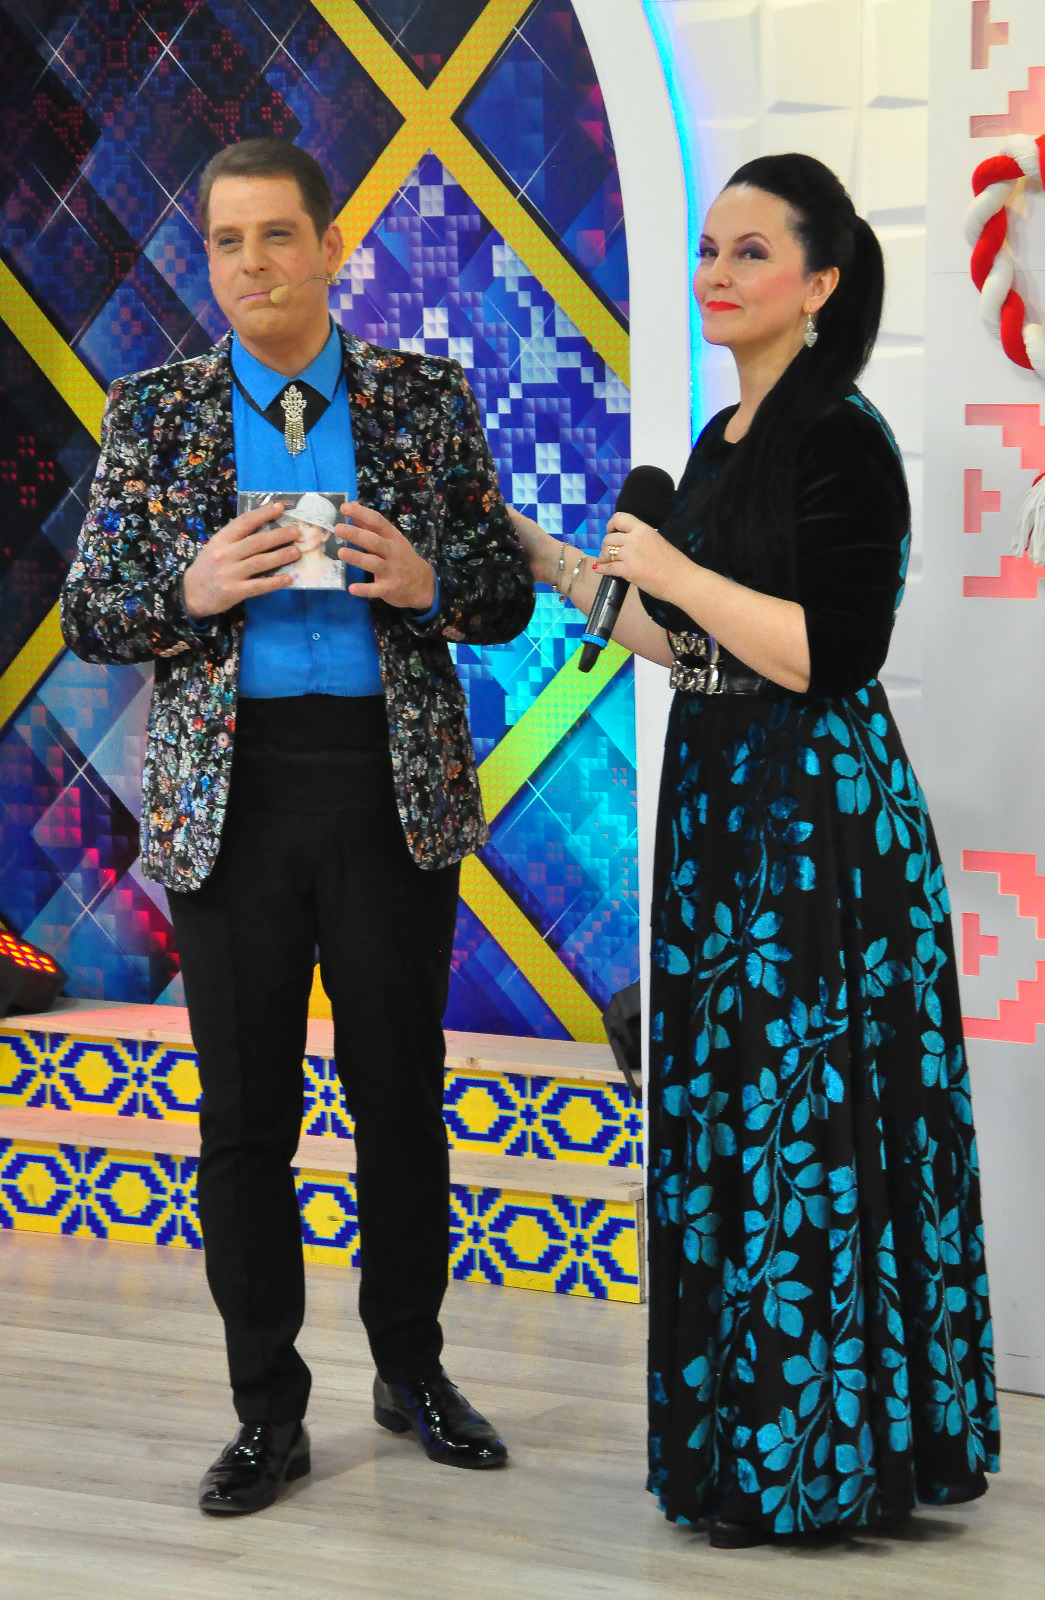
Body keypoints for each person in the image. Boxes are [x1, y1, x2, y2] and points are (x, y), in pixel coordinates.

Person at [510, 153, 999, 1545]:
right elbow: (691, 647)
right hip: (719, 813)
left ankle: (828, 1466)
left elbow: (827, 652)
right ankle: (746, 1453)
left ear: (822, 282)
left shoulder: (841, 436)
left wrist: (672, 568)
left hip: (820, 829)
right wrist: (549, 557)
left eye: (750, 252)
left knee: (809, 1124)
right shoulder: (720, 443)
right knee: (737, 1117)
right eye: (708, 249)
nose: (715, 273)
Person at [61, 137, 534, 1516]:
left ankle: (412, 1370)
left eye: (278, 235)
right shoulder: (155, 412)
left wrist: (428, 583)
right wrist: (192, 590)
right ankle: (266, 1411)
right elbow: (93, 612)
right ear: (206, 258)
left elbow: (503, 594)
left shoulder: (421, 398)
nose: (252, 264)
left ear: (334, 249)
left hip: (387, 788)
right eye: (227, 241)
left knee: (400, 1101)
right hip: (234, 798)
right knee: (245, 1118)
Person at [280, 491, 345, 589]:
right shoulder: (283, 574)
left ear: (325, 534)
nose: (298, 532)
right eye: (296, 524)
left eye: (308, 525)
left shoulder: (341, 572)